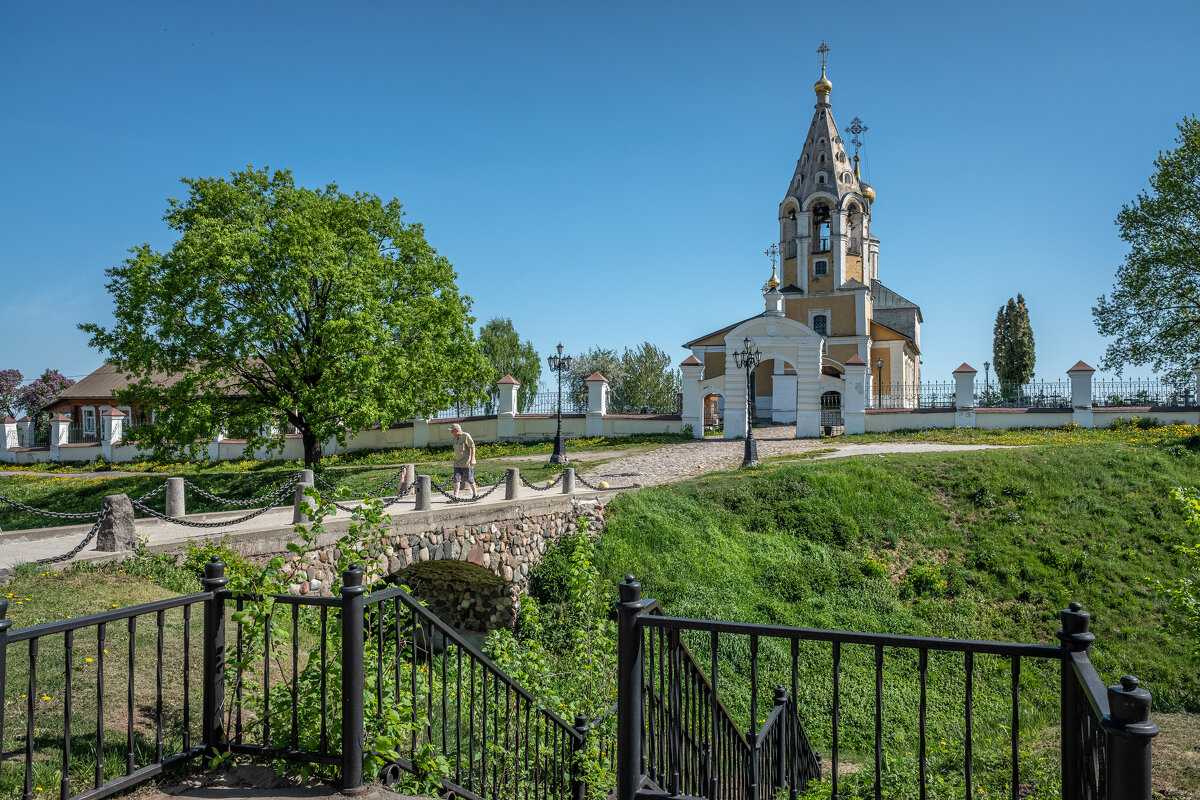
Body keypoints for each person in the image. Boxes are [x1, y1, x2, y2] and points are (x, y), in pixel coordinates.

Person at [449, 423, 477, 499]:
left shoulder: (466, 436)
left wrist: (473, 459)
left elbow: (472, 447)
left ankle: (475, 494)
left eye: (452, 431)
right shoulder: (455, 438)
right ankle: (455, 496)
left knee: (470, 479)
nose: (451, 433)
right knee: (456, 479)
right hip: (457, 462)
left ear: (457, 430)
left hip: (466, 463)